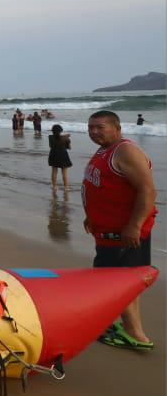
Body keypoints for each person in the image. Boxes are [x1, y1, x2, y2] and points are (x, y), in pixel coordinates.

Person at [82, 110, 157, 349]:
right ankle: (128, 328)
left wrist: (134, 226)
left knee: (119, 284)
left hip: (124, 234)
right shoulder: (104, 149)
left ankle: (136, 335)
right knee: (121, 282)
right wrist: (90, 216)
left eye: (100, 127)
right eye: (91, 127)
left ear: (117, 128)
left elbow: (148, 191)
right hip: (106, 231)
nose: (94, 132)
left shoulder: (125, 150)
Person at [48, 124, 72, 191]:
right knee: (64, 173)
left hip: (53, 154)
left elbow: (51, 144)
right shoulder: (65, 138)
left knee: (54, 171)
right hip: (63, 155)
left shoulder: (50, 137)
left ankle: (54, 186)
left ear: (52, 131)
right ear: (61, 131)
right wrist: (67, 138)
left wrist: (64, 136)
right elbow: (69, 148)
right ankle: (66, 187)